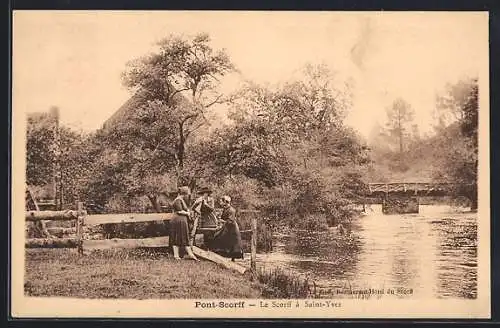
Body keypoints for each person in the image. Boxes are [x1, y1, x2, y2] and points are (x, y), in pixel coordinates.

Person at [207, 195, 243, 261]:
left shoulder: (232, 210)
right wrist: (220, 218)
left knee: (231, 243)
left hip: (232, 228)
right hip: (227, 227)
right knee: (218, 237)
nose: (221, 203)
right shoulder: (225, 209)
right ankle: (220, 255)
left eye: (222, 201)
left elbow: (230, 221)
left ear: (226, 202)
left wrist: (222, 221)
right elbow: (224, 218)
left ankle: (231, 258)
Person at [169, 186, 199, 261]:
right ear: (184, 194)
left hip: (181, 221)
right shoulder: (178, 200)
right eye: (187, 194)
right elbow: (179, 211)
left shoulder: (181, 199)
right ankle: (180, 255)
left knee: (181, 237)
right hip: (178, 221)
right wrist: (188, 213)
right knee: (178, 237)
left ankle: (184, 254)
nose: (187, 196)